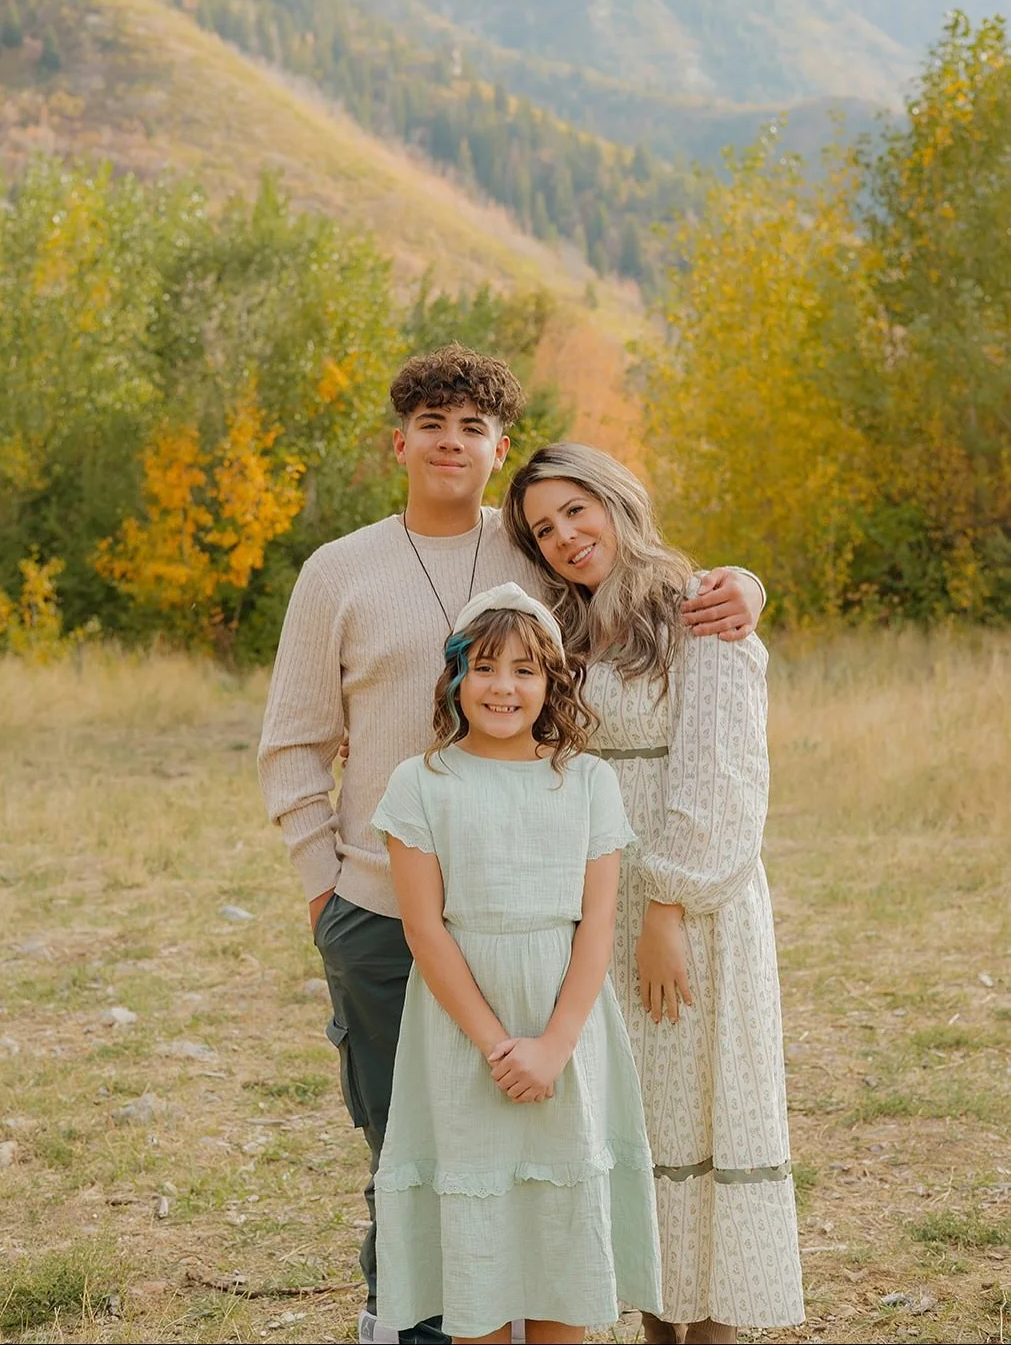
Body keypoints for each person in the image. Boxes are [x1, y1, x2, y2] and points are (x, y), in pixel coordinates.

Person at [258, 345, 765, 1345]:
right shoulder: (337, 570)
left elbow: (643, 579)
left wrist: (741, 586)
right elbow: (292, 744)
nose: (450, 442)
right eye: (430, 425)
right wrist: (325, 892)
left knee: (535, 1140)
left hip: (527, 906)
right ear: (396, 442)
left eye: (471, 428)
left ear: (496, 450)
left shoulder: (532, 553)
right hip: (375, 907)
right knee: (407, 1143)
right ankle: (407, 1326)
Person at [503, 444, 805, 1345]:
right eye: (543, 529)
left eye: (574, 511)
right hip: (594, 908)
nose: (563, 537)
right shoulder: (565, 625)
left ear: (616, 499)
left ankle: (704, 1330)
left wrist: (667, 905)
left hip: (684, 907)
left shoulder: (697, 610)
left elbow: (722, 772)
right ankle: (653, 1328)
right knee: (632, 1127)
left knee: (694, 1120)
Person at [371, 584, 662, 1344]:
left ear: (552, 684)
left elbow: (596, 924)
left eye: (525, 670)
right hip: (463, 1031)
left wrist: (554, 1045)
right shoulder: (420, 783)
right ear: (455, 677)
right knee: (480, 1231)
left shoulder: (587, 781)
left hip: (565, 1022)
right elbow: (425, 930)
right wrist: (498, 1046)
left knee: (560, 1225)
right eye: (486, 668)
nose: (504, 687)